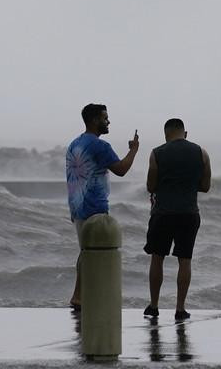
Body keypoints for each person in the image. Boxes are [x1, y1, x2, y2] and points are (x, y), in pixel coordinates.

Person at [66, 103, 139, 310]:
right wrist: (133, 150)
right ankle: (86, 296)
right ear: (95, 120)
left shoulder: (75, 143)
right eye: (105, 118)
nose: (108, 121)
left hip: (77, 206)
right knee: (95, 254)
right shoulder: (100, 146)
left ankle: (78, 295)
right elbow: (121, 170)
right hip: (94, 207)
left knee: (85, 252)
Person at [143, 118, 211, 320]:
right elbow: (205, 186)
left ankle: (154, 305)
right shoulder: (202, 153)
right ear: (185, 133)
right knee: (185, 260)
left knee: (157, 258)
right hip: (189, 213)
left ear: (166, 134)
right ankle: (180, 308)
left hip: (162, 213)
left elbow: (150, 185)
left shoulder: (157, 153)